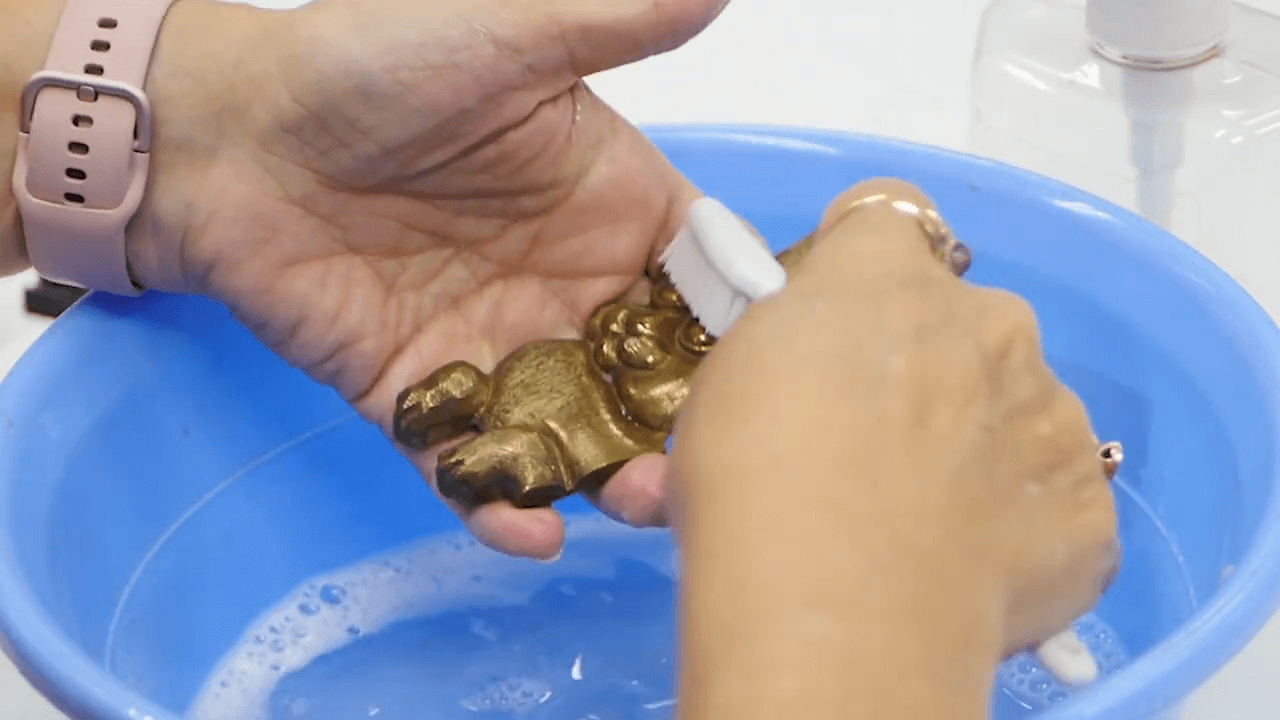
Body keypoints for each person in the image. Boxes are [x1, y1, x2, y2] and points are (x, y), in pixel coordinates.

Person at [1, 0, 1118, 718]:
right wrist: (876, 603)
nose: (638, 327)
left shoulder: (659, 374)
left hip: (543, 411)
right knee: (485, 421)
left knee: (506, 443)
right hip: (537, 399)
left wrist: (213, 128)